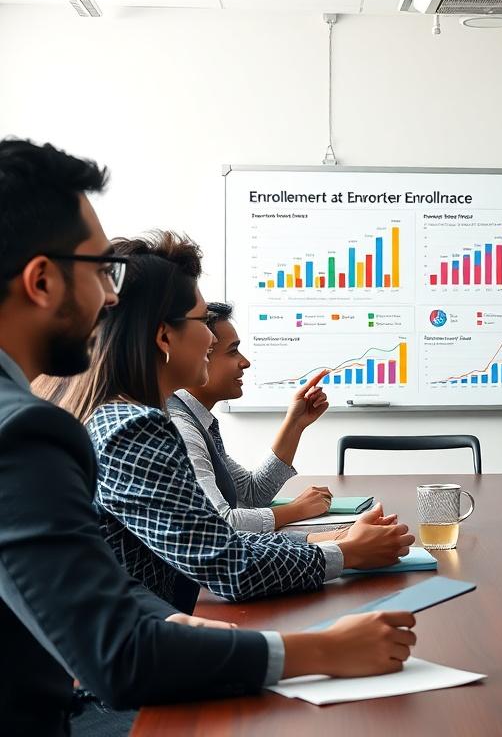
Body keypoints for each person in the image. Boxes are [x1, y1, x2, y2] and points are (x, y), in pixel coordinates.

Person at [0, 139, 415, 735]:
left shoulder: (43, 416)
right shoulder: (40, 433)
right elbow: (119, 653)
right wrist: (319, 651)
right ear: (41, 281)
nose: (111, 295)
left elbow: (82, 581)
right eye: (101, 271)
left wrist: (166, 620)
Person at [53, 230, 414, 613]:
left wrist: (337, 542)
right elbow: (230, 567)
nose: (210, 337)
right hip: (144, 651)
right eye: (200, 320)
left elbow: (219, 539)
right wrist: (346, 553)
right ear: (164, 337)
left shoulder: (132, 417)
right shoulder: (134, 430)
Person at [166, 302, 337, 535]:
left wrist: (295, 424)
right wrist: (296, 509)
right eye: (232, 351)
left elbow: (252, 493)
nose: (245, 362)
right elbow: (221, 523)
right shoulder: (182, 429)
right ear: (200, 354)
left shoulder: (197, 421)